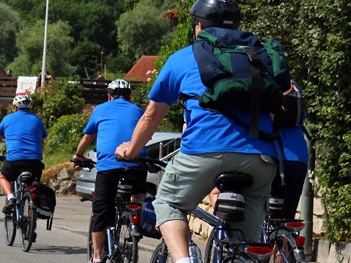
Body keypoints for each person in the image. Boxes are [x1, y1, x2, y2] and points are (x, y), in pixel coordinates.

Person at [115, 1, 291, 262]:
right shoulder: (259, 57)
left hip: (204, 152)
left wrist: (131, 149)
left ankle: (184, 260)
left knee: (168, 203)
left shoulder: (185, 57)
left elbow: (152, 115)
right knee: (248, 243)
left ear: (198, 26)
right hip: (261, 158)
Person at [73, 79, 147, 263]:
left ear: (109, 96)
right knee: (137, 191)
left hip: (110, 165)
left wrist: (78, 155)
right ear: (129, 96)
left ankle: (97, 257)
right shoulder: (138, 110)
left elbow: (88, 136)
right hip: (137, 163)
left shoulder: (100, 110)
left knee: (100, 210)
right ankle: (135, 217)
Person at [0, 93, 47, 214]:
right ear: (29, 107)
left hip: (14, 160)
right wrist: (39, 155)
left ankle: (10, 197)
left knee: (3, 177)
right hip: (34, 161)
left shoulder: (8, 119)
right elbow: (42, 142)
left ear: (15, 107)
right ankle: (32, 224)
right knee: (33, 189)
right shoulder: (37, 120)